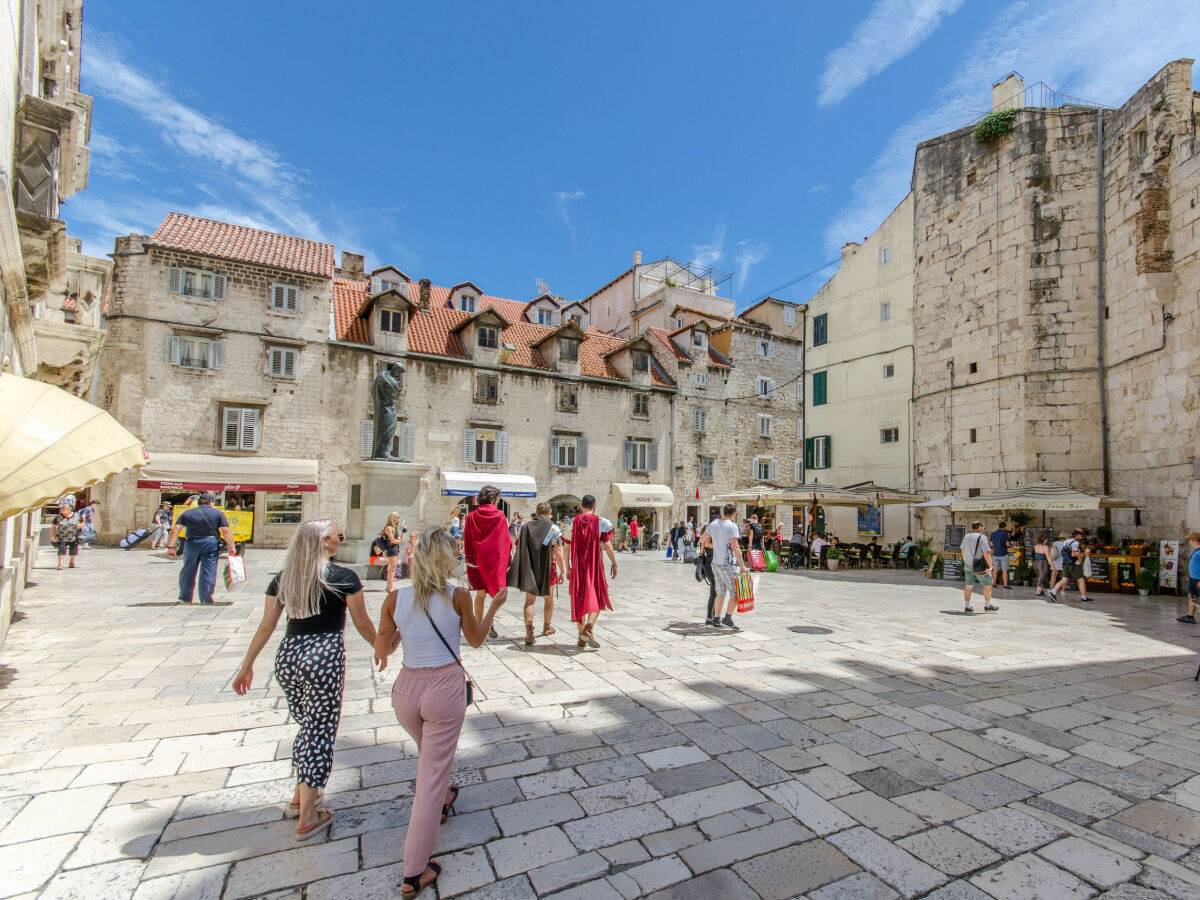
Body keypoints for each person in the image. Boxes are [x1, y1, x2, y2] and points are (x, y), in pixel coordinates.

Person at [374, 526, 505, 898]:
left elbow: (384, 648)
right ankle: (414, 870)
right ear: (447, 557)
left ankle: (447, 793)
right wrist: (493, 606)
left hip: (406, 691)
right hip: (443, 689)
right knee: (429, 779)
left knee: (430, 759)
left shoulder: (394, 600)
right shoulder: (458, 596)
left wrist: (391, 639)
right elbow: (477, 641)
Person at [233, 518, 377, 839]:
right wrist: (382, 647)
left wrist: (247, 665)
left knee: (308, 725)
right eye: (335, 535)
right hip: (323, 656)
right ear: (324, 542)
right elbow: (364, 624)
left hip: (289, 657)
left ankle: (301, 796)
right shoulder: (342, 578)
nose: (340, 538)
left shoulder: (284, 579)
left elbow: (266, 626)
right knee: (320, 730)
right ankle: (309, 815)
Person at [508, 502, 566, 645]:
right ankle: (546, 627)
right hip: (548, 568)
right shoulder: (553, 528)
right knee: (549, 598)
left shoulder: (526, 527)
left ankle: (529, 632)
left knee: (530, 601)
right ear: (549, 512)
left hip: (530, 568)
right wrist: (563, 570)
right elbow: (558, 551)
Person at [167, 492, 237, 605]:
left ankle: (185, 597)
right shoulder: (217, 514)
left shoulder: (187, 513)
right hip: (210, 543)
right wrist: (231, 546)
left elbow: (176, 530)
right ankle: (206, 598)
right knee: (208, 570)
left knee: (188, 570)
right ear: (211, 502)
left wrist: (171, 547)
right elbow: (226, 531)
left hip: (191, 543)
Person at [566, 494, 617, 648]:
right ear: (594, 506)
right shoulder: (602, 523)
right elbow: (607, 545)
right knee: (599, 597)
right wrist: (614, 564)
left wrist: (567, 567)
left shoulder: (571, 523)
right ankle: (588, 628)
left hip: (577, 566)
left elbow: (566, 545)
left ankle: (582, 637)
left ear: (581, 506)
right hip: (594, 567)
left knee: (579, 598)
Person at [464, 486, 512, 639]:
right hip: (494, 562)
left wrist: (470, 559)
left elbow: (468, 539)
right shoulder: (499, 516)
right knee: (497, 593)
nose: (498, 502)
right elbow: (505, 541)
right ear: (493, 499)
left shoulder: (471, 516)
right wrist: (507, 559)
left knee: (480, 594)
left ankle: (479, 625)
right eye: (497, 499)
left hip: (477, 560)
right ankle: (489, 621)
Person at [707, 503, 748, 629]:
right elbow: (735, 547)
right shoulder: (732, 526)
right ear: (733, 513)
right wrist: (743, 566)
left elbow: (703, 539)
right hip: (728, 564)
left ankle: (716, 618)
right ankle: (728, 618)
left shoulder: (713, 524)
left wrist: (717, 545)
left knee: (720, 592)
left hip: (715, 563)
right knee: (736, 592)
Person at [960, 521, 999, 614]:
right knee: (987, 584)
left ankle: (967, 606)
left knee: (969, 585)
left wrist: (966, 560)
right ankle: (987, 605)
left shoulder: (966, 536)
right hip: (979, 566)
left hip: (968, 564)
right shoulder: (982, 537)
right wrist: (990, 566)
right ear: (980, 527)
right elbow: (986, 553)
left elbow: (963, 550)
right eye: (983, 527)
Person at [1062, 529, 1093, 603]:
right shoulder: (1075, 543)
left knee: (1064, 579)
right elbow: (1073, 554)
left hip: (1066, 562)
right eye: (1081, 535)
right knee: (1081, 579)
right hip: (1074, 563)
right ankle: (1084, 597)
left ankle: (1053, 591)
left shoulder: (1066, 541)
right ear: (1078, 535)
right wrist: (1083, 554)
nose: (1082, 537)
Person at [53, 502, 83, 570]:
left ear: (70, 509)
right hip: (61, 536)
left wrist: (79, 525)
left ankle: (72, 562)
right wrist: (52, 536)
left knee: (73, 550)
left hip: (73, 536)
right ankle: (60, 564)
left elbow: (83, 524)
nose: (62, 510)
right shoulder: (59, 517)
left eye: (64, 508)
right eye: (62, 508)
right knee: (61, 549)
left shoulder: (77, 516)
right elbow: (54, 526)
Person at [1178, 532, 1200, 624]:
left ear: (1193, 540)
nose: (1189, 541)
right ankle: (1190, 616)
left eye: (1189, 540)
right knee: (1192, 596)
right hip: (1193, 579)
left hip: (1198, 580)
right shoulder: (1196, 550)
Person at [381, 513, 405, 592]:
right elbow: (393, 540)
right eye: (394, 517)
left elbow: (399, 540)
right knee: (392, 569)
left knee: (391, 569)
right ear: (390, 518)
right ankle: (390, 587)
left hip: (395, 549)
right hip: (391, 549)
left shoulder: (394, 528)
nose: (396, 519)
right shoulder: (389, 528)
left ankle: (389, 586)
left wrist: (403, 532)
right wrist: (398, 540)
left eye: (397, 517)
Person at [990, 522, 1012, 589]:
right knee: (1004, 570)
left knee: (995, 570)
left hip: (995, 554)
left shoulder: (993, 534)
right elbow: (1008, 544)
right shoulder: (1005, 534)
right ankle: (1005, 585)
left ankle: (994, 584)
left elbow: (991, 544)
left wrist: (996, 545)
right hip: (1003, 554)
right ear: (1004, 527)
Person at [1033, 531, 1053, 599]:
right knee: (1042, 576)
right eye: (1046, 539)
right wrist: (1052, 565)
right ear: (1043, 539)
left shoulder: (1036, 546)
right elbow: (1048, 557)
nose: (1047, 540)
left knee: (1040, 576)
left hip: (1036, 562)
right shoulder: (1045, 547)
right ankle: (1038, 592)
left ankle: (1041, 591)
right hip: (1043, 563)